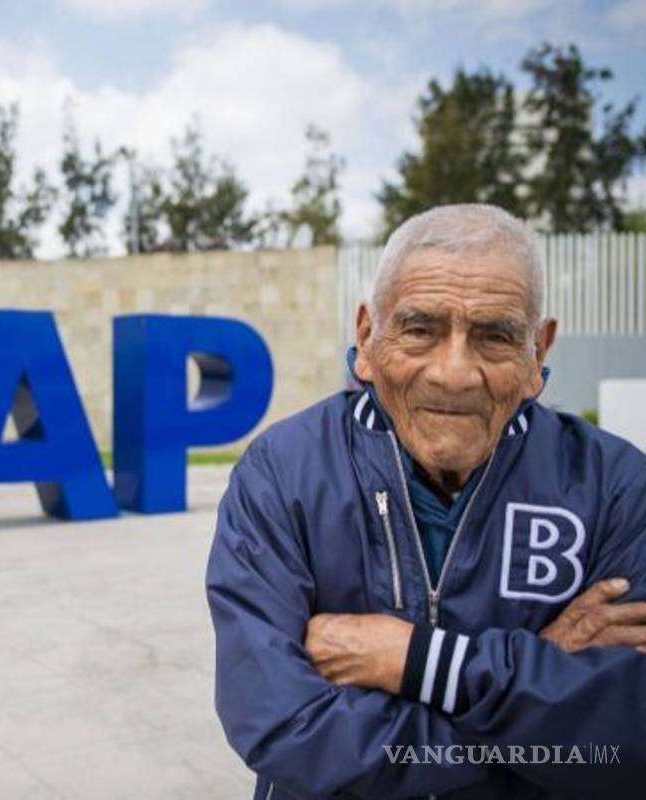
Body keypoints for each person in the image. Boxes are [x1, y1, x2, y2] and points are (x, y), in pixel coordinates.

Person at [206, 204, 646, 799]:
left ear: (539, 352)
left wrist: (418, 661)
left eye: (495, 336)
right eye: (421, 328)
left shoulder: (616, 484)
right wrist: (540, 672)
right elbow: (283, 724)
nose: (454, 373)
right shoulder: (281, 473)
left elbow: (627, 736)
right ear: (367, 336)